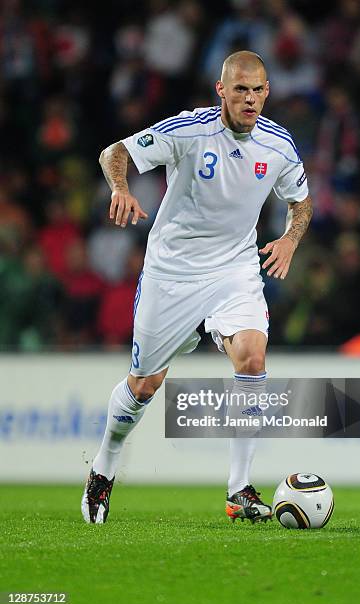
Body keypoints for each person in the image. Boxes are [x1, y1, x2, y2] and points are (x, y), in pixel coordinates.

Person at [81, 50, 312, 524]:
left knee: (252, 356)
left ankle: (239, 490)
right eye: (241, 89)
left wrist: (290, 238)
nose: (251, 99)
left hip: (235, 270)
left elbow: (301, 202)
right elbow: (115, 152)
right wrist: (121, 188)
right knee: (145, 385)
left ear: (268, 92)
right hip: (173, 274)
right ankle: (105, 466)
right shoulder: (190, 131)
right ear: (221, 91)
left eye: (259, 90)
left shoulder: (279, 144)